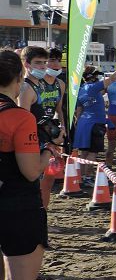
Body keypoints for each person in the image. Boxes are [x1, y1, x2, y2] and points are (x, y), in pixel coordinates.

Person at [0, 49, 62, 280]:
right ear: (20, 77)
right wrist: (47, 149)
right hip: (16, 206)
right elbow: (29, 171)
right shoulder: (19, 118)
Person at [18, 46, 65, 208]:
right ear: (26, 64)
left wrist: (59, 131)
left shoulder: (52, 84)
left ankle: (42, 217)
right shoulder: (25, 88)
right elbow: (22, 124)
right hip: (31, 144)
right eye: (38, 63)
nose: (43, 66)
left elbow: (56, 112)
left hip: (46, 139)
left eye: (45, 62)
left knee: (47, 183)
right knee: (32, 186)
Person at [72, 66, 110, 167]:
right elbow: (112, 79)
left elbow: (79, 111)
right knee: (93, 153)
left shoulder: (81, 89)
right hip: (95, 123)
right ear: (94, 77)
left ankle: (81, 176)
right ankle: (87, 176)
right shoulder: (93, 87)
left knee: (84, 153)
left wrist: (78, 124)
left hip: (83, 123)